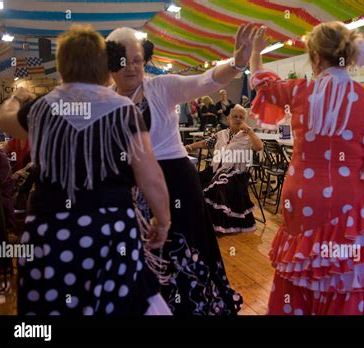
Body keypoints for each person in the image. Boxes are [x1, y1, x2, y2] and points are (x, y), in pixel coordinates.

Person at [0, 25, 171, 315]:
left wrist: (17, 96)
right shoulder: (123, 109)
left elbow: (6, 121)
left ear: (63, 66)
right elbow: (150, 176)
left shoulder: (41, 108)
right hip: (110, 228)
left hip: (49, 229)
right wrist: (163, 221)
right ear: (106, 67)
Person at [249, 22, 364, 315]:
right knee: (342, 270)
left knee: (300, 266)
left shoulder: (298, 91)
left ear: (316, 58)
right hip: (348, 199)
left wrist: (256, 53)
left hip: (300, 196)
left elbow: (262, 83)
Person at [105, 24, 258, 315]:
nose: (133, 67)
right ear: (111, 64)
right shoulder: (107, 99)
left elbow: (204, 82)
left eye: (139, 60)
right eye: (124, 61)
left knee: (186, 250)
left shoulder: (161, 86)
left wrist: (237, 62)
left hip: (176, 182)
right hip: (133, 189)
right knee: (144, 255)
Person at [186, 104, 262, 233]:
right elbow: (206, 143)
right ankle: (194, 218)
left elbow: (259, 147)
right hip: (216, 170)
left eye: (241, 117)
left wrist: (249, 130)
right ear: (228, 119)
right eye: (235, 116)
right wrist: (189, 147)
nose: (238, 119)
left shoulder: (247, 137)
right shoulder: (221, 134)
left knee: (218, 186)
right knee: (193, 179)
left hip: (236, 175)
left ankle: (215, 224)